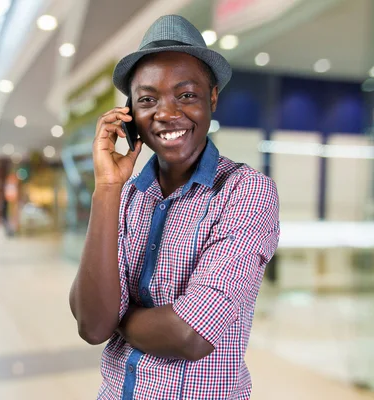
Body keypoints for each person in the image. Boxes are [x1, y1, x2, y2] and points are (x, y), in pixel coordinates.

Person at [68, 15, 280, 400]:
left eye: (186, 95)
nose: (166, 113)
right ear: (130, 113)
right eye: (148, 99)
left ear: (212, 97)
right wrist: (106, 189)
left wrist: (119, 317)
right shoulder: (127, 197)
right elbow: (91, 325)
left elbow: (190, 335)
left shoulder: (245, 192)